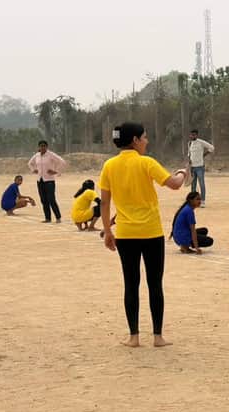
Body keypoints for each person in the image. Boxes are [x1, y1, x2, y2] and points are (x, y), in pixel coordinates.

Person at [99, 122, 187, 348]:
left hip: (125, 234)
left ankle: (134, 337)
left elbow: (105, 203)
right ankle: (158, 337)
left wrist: (108, 231)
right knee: (154, 284)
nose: (147, 141)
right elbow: (174, 185)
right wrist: (182, 173)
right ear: (135, 140)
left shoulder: (109, 165)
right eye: (144, 137)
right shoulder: (146, 162)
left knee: (131, 284)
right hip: (151, 232)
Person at [28, 140, 67, 223]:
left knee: (51, 199)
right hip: (40, 180)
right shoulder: (37, 155)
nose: (42, 147)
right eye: (41, 146)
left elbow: (62, 162)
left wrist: (56, 171)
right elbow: (30, 163)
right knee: (43, 200)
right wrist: (33, 170)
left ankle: (58, 217)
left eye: (44, 146)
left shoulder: (51, 155)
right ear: (38, 147)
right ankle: (47, 218)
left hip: (49, 181)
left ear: (47, 147)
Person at [187, 129, 215, 208]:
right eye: (191, 135)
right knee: (193, 185)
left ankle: (202, 201)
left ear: (197, 135)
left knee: (201, 184)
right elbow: (189, 154)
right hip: (192, 167)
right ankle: (193, 202)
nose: (192, 136)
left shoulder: (201, 142)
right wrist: (189, 161)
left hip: (200, 167)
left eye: (194, 135)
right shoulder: (189, 143)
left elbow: (211, 148)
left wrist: (204, 154)